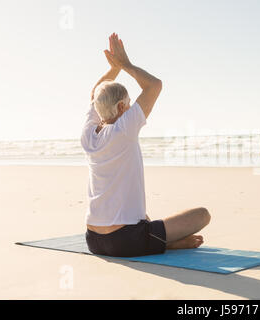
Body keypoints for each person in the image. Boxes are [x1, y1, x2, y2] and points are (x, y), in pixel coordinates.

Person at [80, 33, 211, 257]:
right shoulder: (124, 129)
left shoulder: (88, 135)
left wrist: (114, 69)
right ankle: (166, 244)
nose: (132, 108)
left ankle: (161, 241)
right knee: (202, 215)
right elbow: (154, 85)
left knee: (144, 217)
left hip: (94, 240)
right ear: (121, 108)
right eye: (129, 104)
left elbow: (96, 94)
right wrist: (125, 64)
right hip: (125, 241)